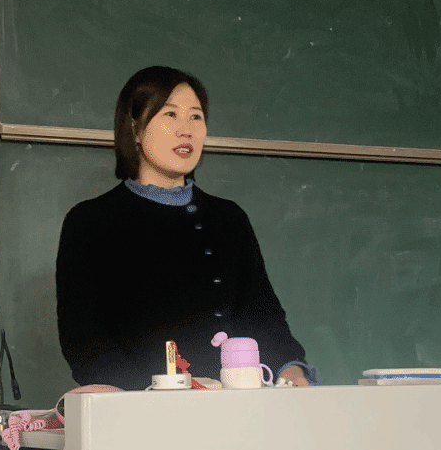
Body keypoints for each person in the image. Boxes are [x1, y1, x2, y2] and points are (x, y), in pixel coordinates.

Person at [55, 65, 314, 391]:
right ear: (135, 129)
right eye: (170, 115)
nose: (186, 130)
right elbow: (86, 345)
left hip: (239, 405)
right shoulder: (91, 222)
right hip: (143, 410)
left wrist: (291, 369)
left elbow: (263, 316)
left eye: (196, 117)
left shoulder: (228, 218)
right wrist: (160, 395)